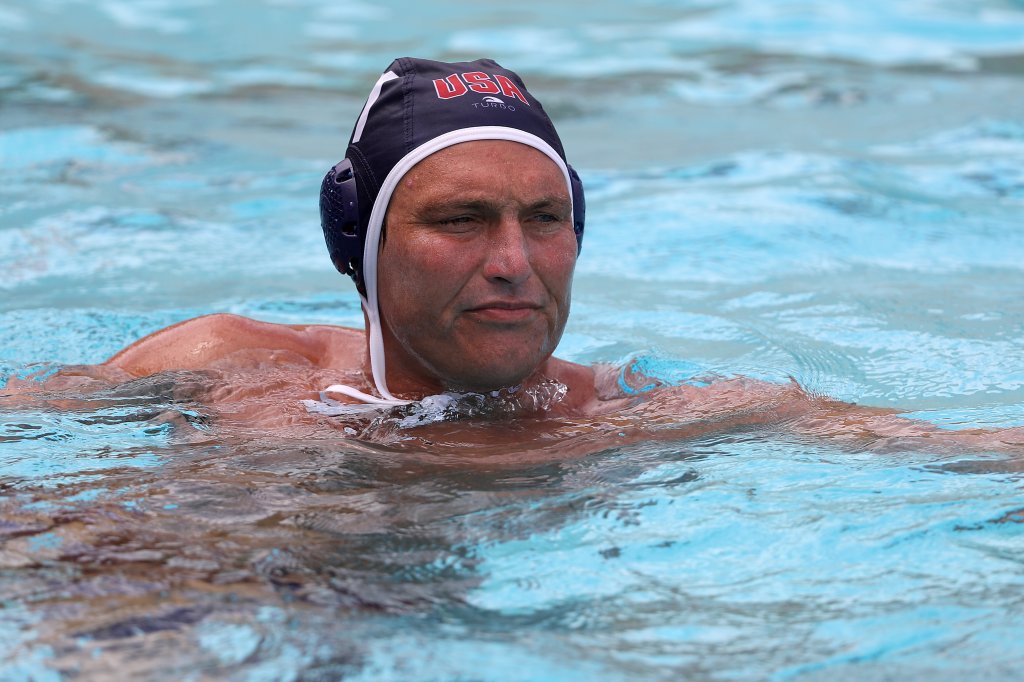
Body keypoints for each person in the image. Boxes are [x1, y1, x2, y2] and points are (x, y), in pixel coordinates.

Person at [4, 57, 1022, 455]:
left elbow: (944, 449)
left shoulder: (637, 409)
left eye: (545, 217)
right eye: (459, 220)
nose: (512, 262)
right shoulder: (226, 359)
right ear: (359, 239)